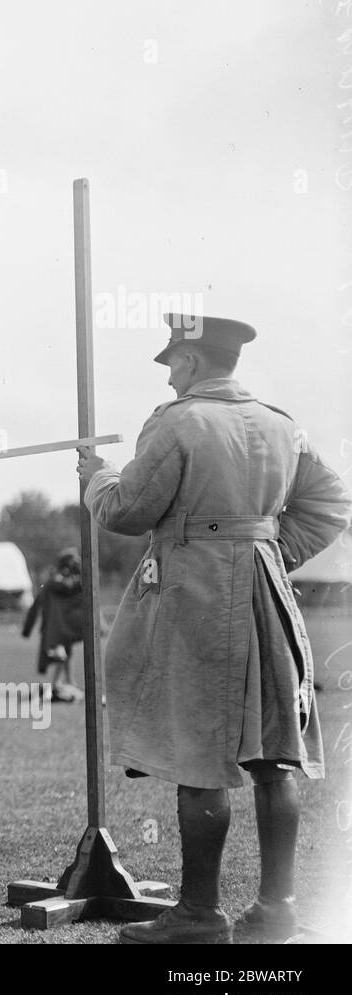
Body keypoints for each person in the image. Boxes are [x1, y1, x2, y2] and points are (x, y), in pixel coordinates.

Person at [78, 314, 351, 944]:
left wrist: (97, 476)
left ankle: (199, 915)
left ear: (193, 362)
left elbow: (127, 509)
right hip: (267, 596)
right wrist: (271, 550)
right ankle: (276, 910)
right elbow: (332, 502)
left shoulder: (177, 421)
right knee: (274, 756)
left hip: (198, 597)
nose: (170, 376)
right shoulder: (283, 425)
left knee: (199, 755)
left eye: (172, 362)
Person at [20, 548, 85, 702]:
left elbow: (36, 607)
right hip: (63, 628)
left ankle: (67, 683)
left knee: (64, 655)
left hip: (56, 629)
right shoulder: (76, 587)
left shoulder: (53, 585)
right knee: (62, 656)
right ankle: (58, 685)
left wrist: (27, 629)